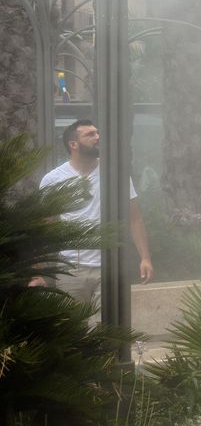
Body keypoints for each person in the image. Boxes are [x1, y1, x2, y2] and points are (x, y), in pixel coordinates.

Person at [37, 120, 155, 313]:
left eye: (97, 133)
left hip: (109, 267)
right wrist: (38, 272)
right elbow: (43, 227)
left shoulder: (116, 175)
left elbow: (135, 218)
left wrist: (145, 258)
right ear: (73, 144)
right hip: (70, 269)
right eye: (89, 135)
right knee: (73, 334)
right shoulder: (53, 179)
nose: (97, 137)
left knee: (108, 332)